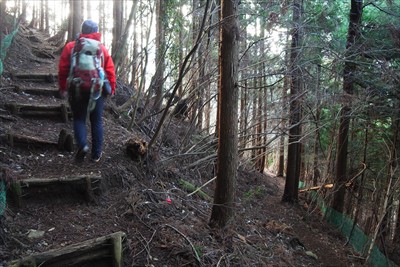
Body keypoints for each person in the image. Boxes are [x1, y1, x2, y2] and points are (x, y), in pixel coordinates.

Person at [58, 19, 116, 163]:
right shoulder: (101, 48)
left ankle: (83, 145)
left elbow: (63, 69)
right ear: (96, 32)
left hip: (77, 89)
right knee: (96, 121)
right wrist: (112, 88)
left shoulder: (71, 47)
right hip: (97, 89)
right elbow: (110, 71)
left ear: (82, 31)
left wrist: (63, 87)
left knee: (79, 119)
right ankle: (96, 155)